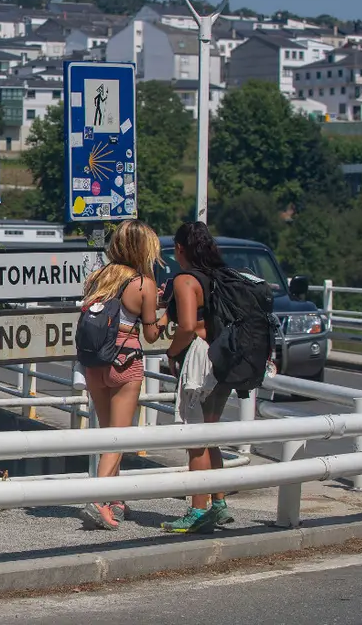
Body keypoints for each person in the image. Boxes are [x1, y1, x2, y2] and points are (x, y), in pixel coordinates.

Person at [77, 220, 164, 531]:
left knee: (106, 434)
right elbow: (152, 335)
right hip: (126, 362)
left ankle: (115, 499)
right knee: (119, 437)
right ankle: (98, 500)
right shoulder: (142, 284)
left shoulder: (96, 279)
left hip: (94, 363)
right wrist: (164, 317)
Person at [159, 221, 236, 534]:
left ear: (180, 249)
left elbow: (188, 327)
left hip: (200, 359)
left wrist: (171, 352)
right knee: (210, 433)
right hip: (225, 357)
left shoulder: (186, 280)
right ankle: (218, 504)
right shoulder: (219, 275)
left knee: (195, 440)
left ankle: (197, 510)